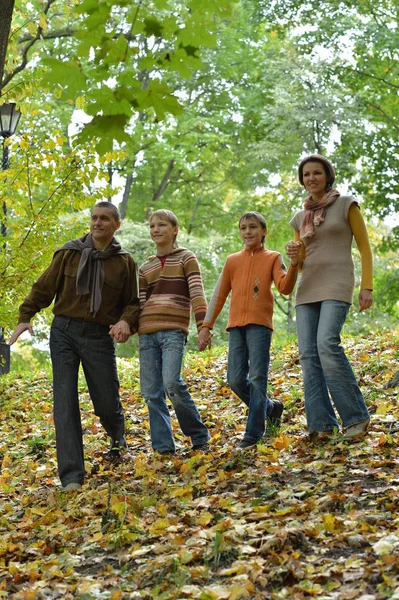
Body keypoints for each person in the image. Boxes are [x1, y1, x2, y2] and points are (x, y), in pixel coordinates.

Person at [9, 202, 140, 490]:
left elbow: (133, 302)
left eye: (105, 219)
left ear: (116, 225)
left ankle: (117, 436)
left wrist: (127, 322)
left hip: (98, 335)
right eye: (94, 218)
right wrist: (25, 316)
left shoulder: (125, 262)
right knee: (65, 401)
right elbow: (43, 287)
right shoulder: (68, 253)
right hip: (64, 332)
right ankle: (71, 476)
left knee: (106, 401)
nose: (97, 223)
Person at [287, 154, 372, 440]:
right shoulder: (300, 218)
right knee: (308, 355)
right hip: (307, 287)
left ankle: (356, 417)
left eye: (317, 173)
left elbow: (365, 248)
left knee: (326, 343)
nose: (311, 178)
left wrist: (367, 286)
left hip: (337, 283)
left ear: (327, 175)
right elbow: (299, 261)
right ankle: (321, 425)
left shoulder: (346, 204)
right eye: (306, 174)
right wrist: (293, 255)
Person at [198, 211, 300, 449]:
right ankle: (270, 407)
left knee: (257, 378)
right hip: (236, 327)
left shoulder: (273, 257)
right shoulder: (232, 260)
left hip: (260, 326)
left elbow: (285, 287)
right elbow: (219, 294)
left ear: (263, 231)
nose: (248, 232)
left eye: (253, 227)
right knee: (234, 379)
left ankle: (253, 435)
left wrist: (294, 264)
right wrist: (206, 326)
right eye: (243, 228)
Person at [138, 209, 210, 455]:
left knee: (172, 384)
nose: (155, 230)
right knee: (151, 392)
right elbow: (138, 303)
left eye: (161, 225)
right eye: (152, 226)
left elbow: (197, 293)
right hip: (146, 333)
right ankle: (163, 448)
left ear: (174, 229)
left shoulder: (185, 258)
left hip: (173, 332)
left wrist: (203, 327)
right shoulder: (145, 267)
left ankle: (199, 436)